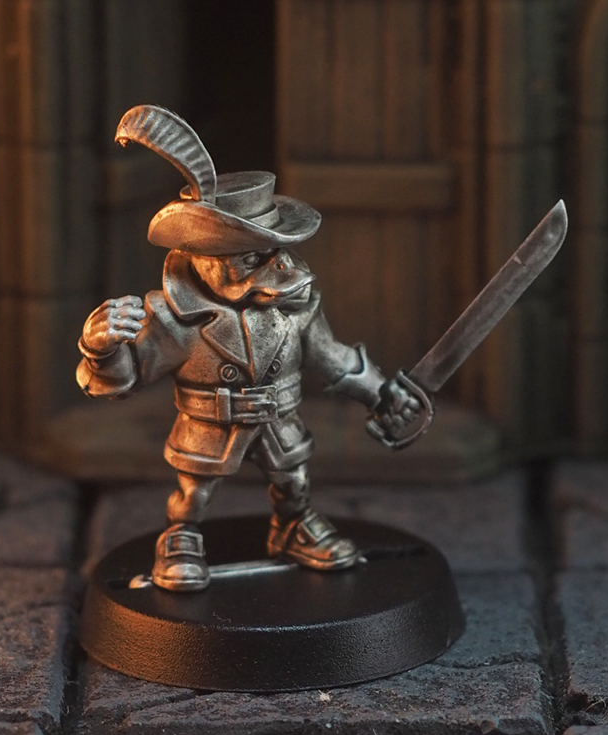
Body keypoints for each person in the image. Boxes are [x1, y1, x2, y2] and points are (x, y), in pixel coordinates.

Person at [77, 105, 419, 592]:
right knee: (193, 494)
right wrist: (101, 349)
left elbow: (334, 358)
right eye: (252, 257)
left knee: (294, 482)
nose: (275, 269)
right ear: (202, 257)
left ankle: (293, 528)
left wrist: (382, 393)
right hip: (209, 424)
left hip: (280, 418)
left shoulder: (296, 307)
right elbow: (125, 378)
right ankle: (180, 538)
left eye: (274, 253)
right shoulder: (173, 319)